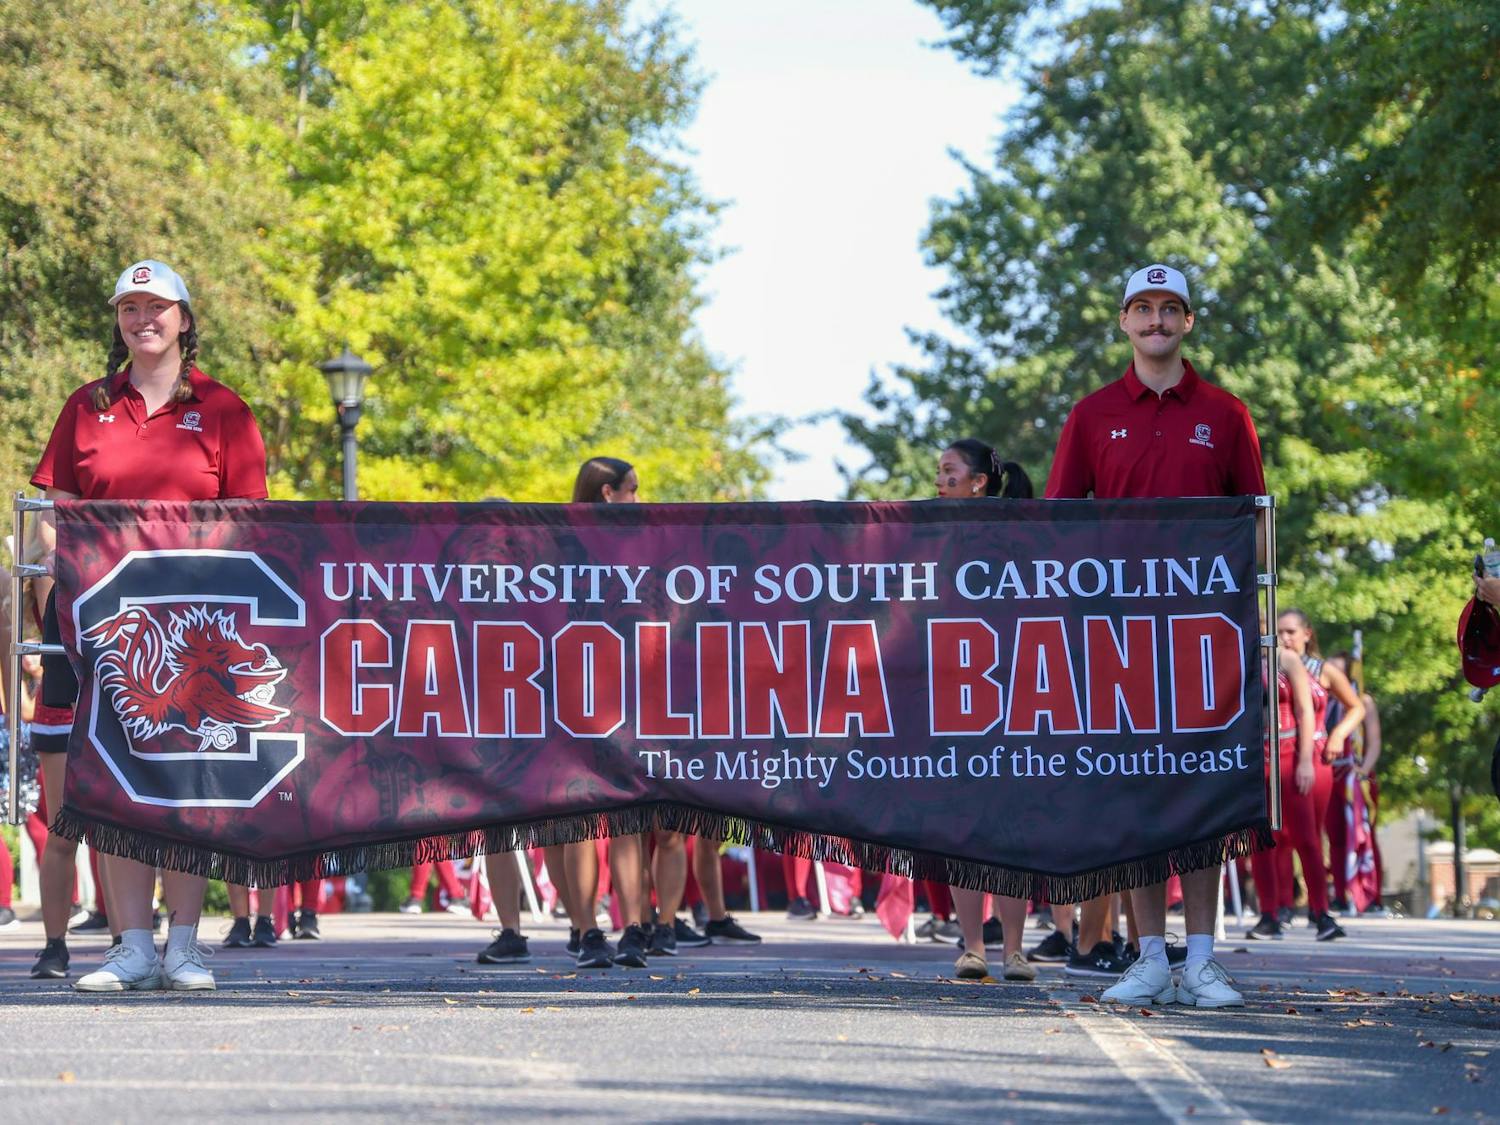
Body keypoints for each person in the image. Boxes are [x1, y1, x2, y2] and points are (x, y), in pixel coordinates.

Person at [32, 258, 270, 991]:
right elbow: (50, 517)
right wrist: (73, 583)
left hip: (197, 626)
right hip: (100, 627)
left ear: (185, 319)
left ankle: (185, 946)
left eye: (157, 307)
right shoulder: (87, 405)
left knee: (186, 781)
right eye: (130, 308)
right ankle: (131, 946)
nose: (143, 319)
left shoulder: (225, 408)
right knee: (113, 781)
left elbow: (254, 522)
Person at [1046, 263, 1266, 1009]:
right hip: (1118, 637)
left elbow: (1253, 525)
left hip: (1206, 638)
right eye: (1142, 308)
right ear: (1124, 321)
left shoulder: (1228, 413)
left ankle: (1199, 958)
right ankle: (1145, 955)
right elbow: (1055, 525)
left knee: (1201, 795)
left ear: (1188, 322)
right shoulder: (1091, 413)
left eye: (1170, 309)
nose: (1156, 321)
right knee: (1138, 794)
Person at [935, 439, 1038, 983]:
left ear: (979, 482)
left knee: (1010, 827)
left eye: (949, 472)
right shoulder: (925, 535)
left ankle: (1015, 951)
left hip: (1014, 694)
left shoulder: (1016, 535)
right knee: (964, 827)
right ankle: (972, 946)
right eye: (937, 473)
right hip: (955, 701)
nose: (939, 482)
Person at [561, 457, 651, 969]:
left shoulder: (644, 547)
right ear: (607, 495)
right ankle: (589, 930)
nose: (640, 500)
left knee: (625, 817)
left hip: (626, 690)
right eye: (632, 491)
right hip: (579, 691)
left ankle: (631, 929)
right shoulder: (564, 546)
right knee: (579, 817)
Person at [1274, 609, 1362, 937]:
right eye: (1280, 632)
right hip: (1280, 753)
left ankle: (1319, 908)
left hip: (1314, 756)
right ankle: (1279, 906)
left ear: (1307, 633)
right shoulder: (1273, 666)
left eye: (1291, 631)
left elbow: (1357, 707)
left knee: (1309, 835)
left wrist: (1339, 735)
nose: (1285, 638)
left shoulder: (1322, 670)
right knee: (1275, 837)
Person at [1246, 646, 1317, 939]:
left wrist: (1304, 761)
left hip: (1287, 756)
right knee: (1260, 841)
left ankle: (1320, 911)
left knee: (1306, 838)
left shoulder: (1285, 658)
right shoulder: (1237, 651)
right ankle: (1269, 914)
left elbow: (1304, 709)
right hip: (1253, 760)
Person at [1325, 652, 1383, 912]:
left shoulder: (1363, 701)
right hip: (1330, 774)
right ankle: (1340, 893)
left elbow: (1374, 741)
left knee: (1364, 835)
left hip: (1357, 776)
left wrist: (1364, 769)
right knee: (1335, 836)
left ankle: (1371, 894)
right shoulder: (1323, 699)